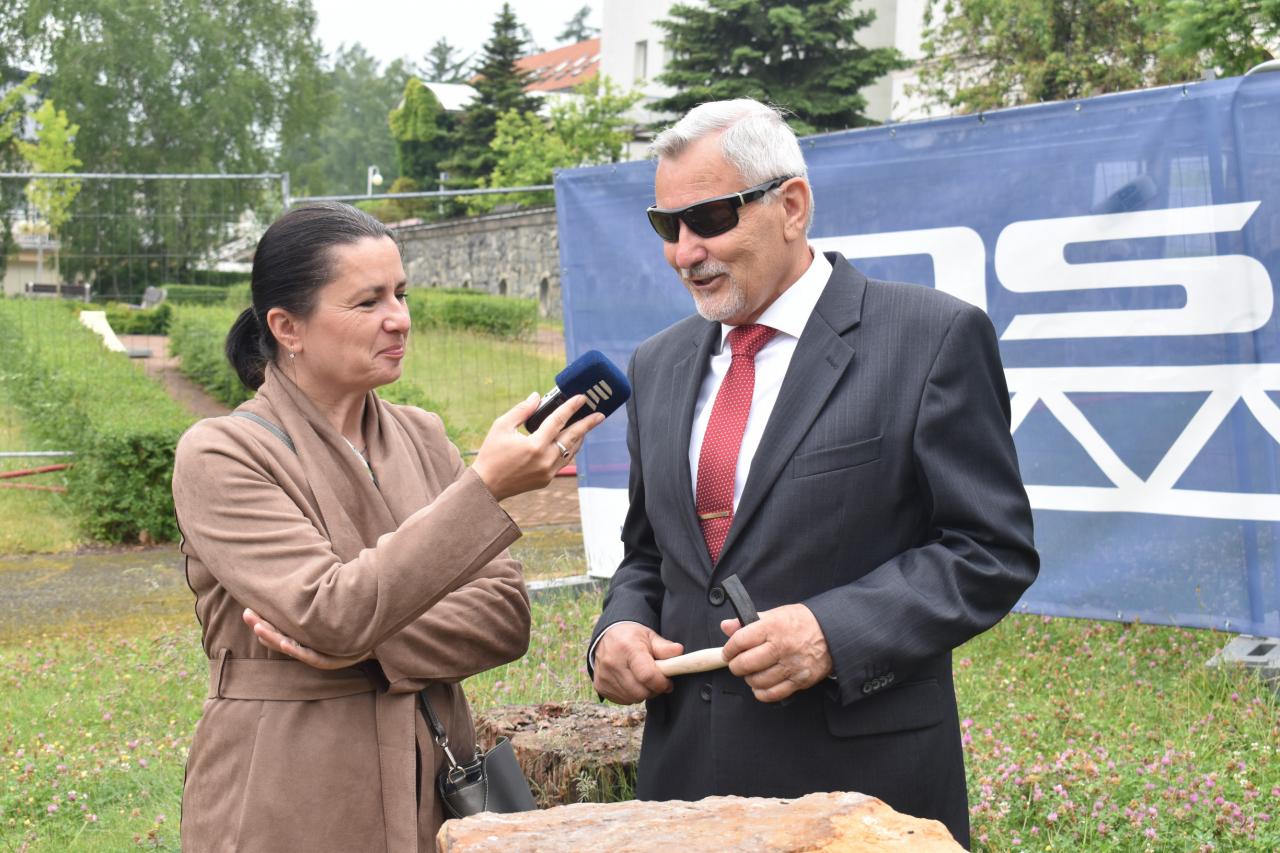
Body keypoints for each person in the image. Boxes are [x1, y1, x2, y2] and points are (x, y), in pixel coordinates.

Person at [587, 99, 1038, 847]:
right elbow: (648, 555)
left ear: (791, 206)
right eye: (667, 226)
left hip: (864, 796)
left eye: (708, 219)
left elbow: (990, 550)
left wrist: (834, 632)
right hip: (683, 794)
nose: (684, 252)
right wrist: (618, 629)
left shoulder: (930, 338)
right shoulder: (658, 363)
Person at [172, 201, 602, 852]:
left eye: (401, 294)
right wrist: (482, 489)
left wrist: (355, 642)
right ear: (288, 327)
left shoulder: (422, 435)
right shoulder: (222, 455)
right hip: (286, 790)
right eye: (368, 301)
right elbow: (330, 611)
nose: (399, 318)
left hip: (434, 783)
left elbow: (505, 618)